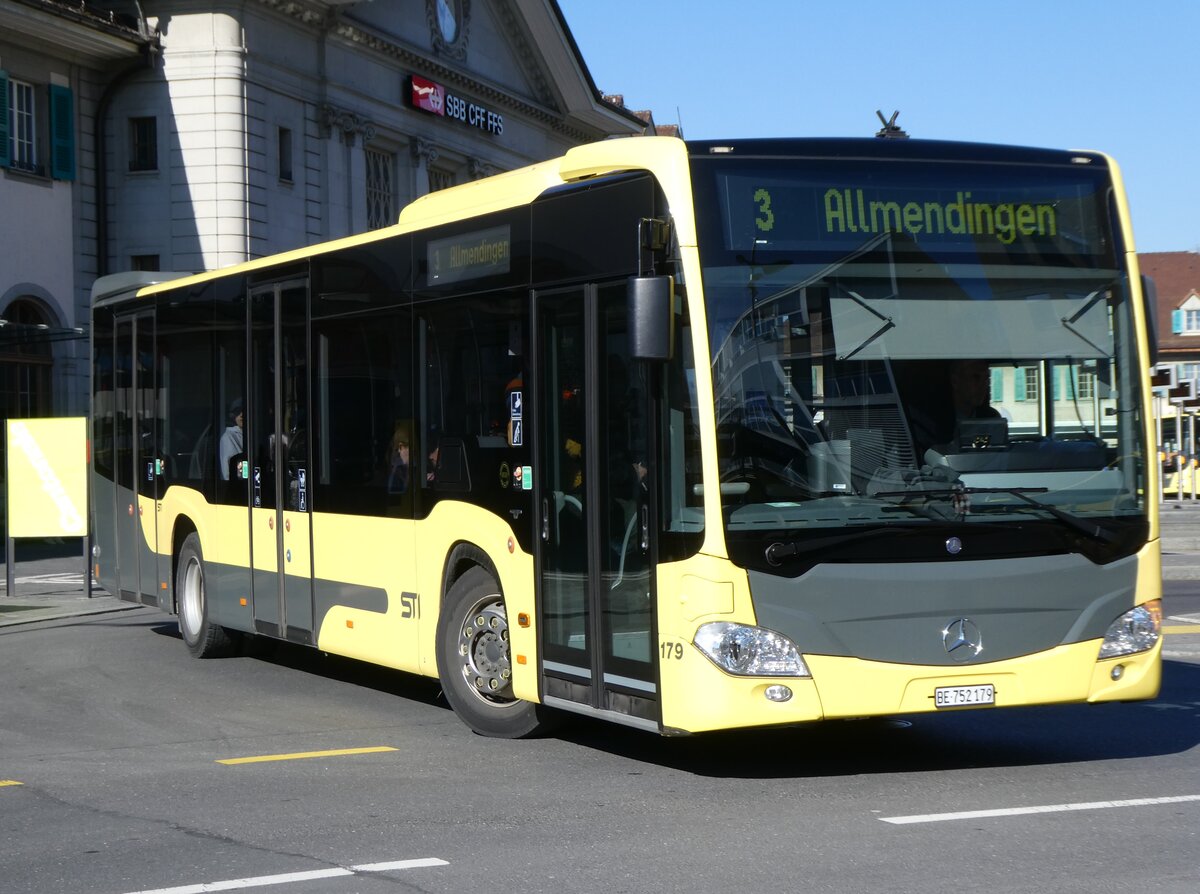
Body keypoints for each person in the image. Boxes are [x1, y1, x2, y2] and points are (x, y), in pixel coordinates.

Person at [218, 399, 244, 480]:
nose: (241, 415)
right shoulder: (228, 437)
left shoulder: (257, 434)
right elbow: (229, 472)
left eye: (244, 410)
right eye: (237, 412)